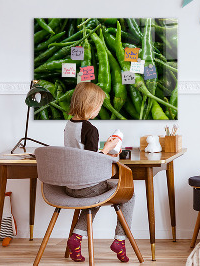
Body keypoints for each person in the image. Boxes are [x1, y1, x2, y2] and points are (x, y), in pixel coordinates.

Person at [64, 82, 134, 263]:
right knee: (129, 194)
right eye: (99, 105)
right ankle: (120, 240)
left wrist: (103, 150)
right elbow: (92, 161)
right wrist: (109, 148)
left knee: (94, 198)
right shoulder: (90, 129)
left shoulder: (69, 125)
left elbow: (81, 154)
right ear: (91, 105)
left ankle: (76, 238)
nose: (99, 109)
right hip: (87, 186)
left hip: (70, 186)